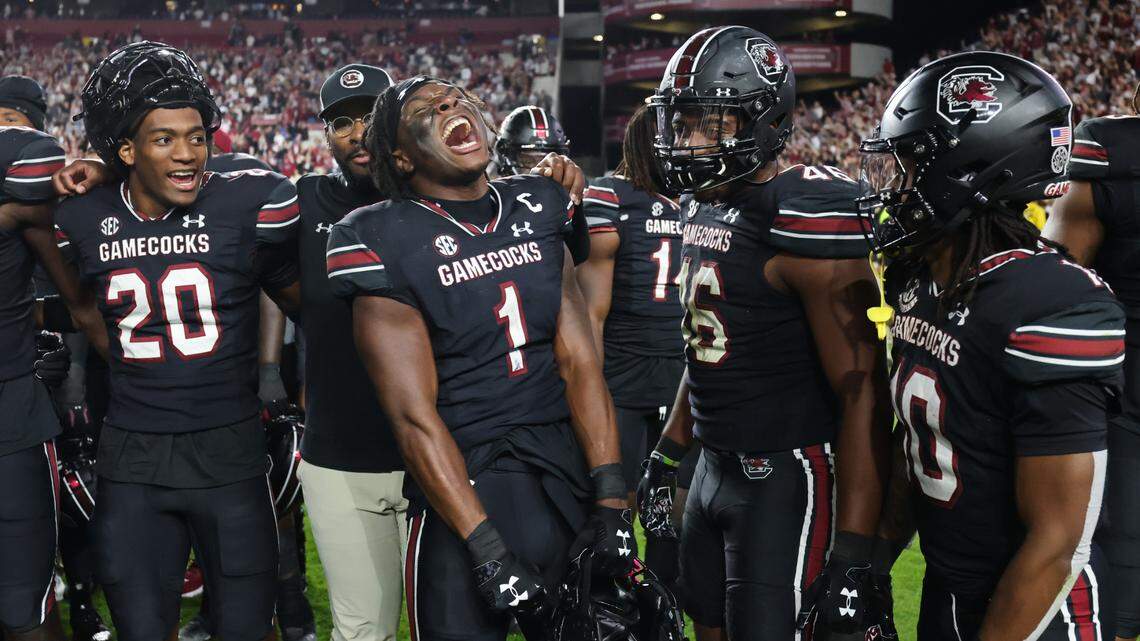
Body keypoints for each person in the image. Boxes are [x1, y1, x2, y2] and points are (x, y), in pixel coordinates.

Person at [326, 76, 631, 641]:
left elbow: (580, 363)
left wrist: (612, 497)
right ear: (400, 155)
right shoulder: (375, 235)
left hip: (560, 478)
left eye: (456, 99)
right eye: (427, 110)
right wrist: (487, 549)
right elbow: (412, 415)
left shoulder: (539, 204)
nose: (450, 108)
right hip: (466, 492)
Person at [640, 27, 892, 641]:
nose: (688, 141)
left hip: (787, 476)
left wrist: (856, 551)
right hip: (710, 468)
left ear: (764, 120)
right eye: (683, 122)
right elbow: (704, 347)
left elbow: (864, 391)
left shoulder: (805, 211)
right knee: (705, 626)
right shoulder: (701, 204)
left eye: (710, 123)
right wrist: (671, 450)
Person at [866, 51, 1117, 641]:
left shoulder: (1050, 300)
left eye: (910, 166)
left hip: (1034, 611)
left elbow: (1058, 544)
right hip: (947, 587)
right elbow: (920, 443)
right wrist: (870, 564)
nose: (896, 186)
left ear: (976, 169)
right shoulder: (921, 276)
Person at [54, 41, 300, 641]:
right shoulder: (80, 214)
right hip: (134, 459)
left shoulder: (246, 198)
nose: (188, 153)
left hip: (231, 455)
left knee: (245, 628)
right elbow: (84, 311)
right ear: (126, 148)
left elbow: (302, 301)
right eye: (164, 138)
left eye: (196, 135)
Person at [295, 62, 412, 641]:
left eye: (371, 115)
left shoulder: (438, 200)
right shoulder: (298, 204)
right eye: (343, 121)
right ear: (327, 135)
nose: (359, 132)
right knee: (363, 630)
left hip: (437, 455)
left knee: (455, 624)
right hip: (339, 457)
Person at [0, 73, 107, 641]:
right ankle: (82, 595)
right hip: (21, 387)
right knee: (27, 592)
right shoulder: (24, 153)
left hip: (38, 360)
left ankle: (84, 594)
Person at [575, 104, 696, 587]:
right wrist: (591, 390)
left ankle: (660, 612)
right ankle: (614, 606)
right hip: (623, 374)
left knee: (670, 510)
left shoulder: (699, 199)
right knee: (615, 505)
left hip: (683, 373)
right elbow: (592, 312)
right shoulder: (608, 196)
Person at [1044, 85, 1140, 641]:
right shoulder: (1108, 154)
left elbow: (1053, 286)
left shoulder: (1111, 151)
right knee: (1120, 595)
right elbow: (1057, 287)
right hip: (1126, 408)